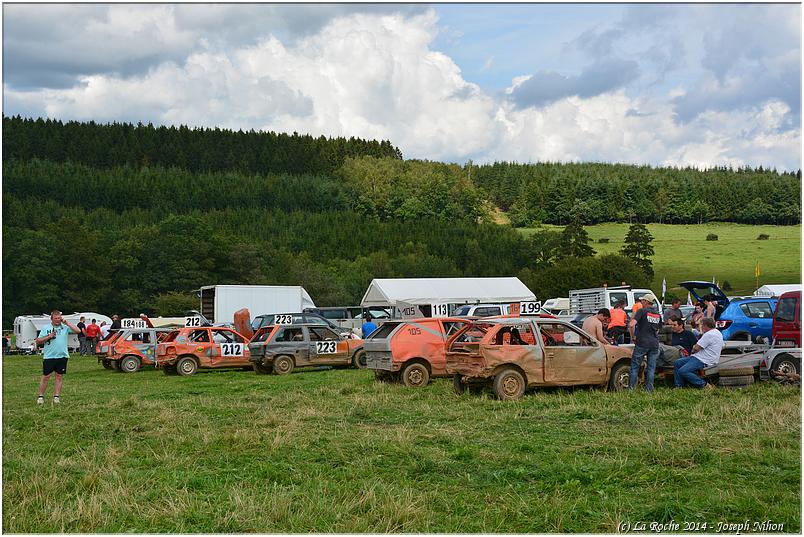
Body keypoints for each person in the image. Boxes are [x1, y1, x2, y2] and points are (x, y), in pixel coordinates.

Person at [35, 310, 80, 404]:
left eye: (59, 318)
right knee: (46, 376)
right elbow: (38, 341)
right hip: (49, 356)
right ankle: (40, 396)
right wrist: (49, 336)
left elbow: (78, 331)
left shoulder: (65, 327)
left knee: (59, 376)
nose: (57, 320)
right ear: (51, 319)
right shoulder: (46, 328)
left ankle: (56, 397)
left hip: (62, 355)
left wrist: (67, 323)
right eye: (55, 318)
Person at [674, 317, 723, 389]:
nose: (701, 327)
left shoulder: (708, 335)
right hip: (705, 357)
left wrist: (694, 348)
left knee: (683, 371)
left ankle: (704, 385)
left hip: (703, 359)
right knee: (677, 362)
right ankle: (679, 386)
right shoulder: (717, 332)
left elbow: (696, 348)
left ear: (705, 325)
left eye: (701, 325)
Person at [628, 294, 662, 392]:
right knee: (651, 368)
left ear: (647, 302)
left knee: (635, 367)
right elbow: (658, 330)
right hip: (654, 344)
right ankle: (649, 390)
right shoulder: (657, 314)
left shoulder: (642, 311)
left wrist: (633, 336)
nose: (641, 302)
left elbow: (631, 324)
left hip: (642, 342)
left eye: (642, 301)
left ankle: (632, 389)